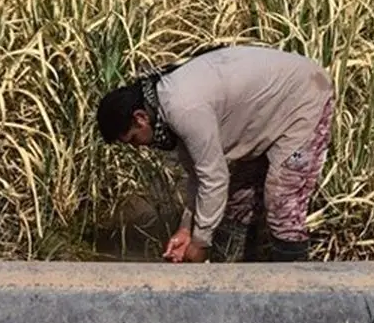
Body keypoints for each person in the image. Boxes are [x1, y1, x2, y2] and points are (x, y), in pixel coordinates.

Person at [95, 44, 334, 263]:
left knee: (283, 204)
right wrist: (186, 229)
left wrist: (200, 244)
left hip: (305, 95)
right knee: (239, 204)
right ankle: (239, 285)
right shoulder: (164, 105)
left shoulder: (184, 109)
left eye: (134, 140)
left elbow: (215, 178)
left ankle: (295, 294)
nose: (139, 147)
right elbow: (198, 176)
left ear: (140, 118)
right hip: (270, 107)